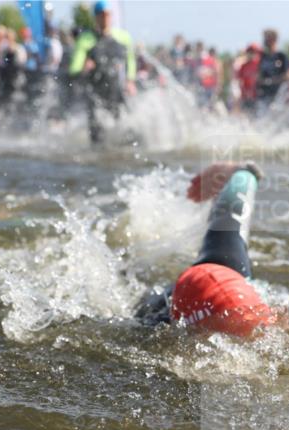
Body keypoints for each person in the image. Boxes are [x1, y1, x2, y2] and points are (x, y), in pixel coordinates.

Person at [133, 162, 276, 337]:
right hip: (186, 302)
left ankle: (237, 172)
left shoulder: (264, 318)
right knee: (142, 308)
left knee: (227, 222)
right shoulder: (157, 324)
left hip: (224, 270)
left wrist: (242, 174)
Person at [68, 0, 136, 144]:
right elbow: (74, 69)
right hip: (95, 92)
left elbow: (130, 60)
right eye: (101, 15)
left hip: (116, 90)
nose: (104, 18)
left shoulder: (123, 37)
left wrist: (130, 80)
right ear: (96, 17)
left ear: (111, 16)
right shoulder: (86, 39)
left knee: (125, 130)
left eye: (107, 15)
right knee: (97, 135)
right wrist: (84, 66)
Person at [256, 29, 288, 110]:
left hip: (278, 94)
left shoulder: (281, 56)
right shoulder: (263, 56)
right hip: (264, 94)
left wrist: (271, 81)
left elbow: (287, 75)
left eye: (267, 38)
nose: (265, 41)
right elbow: (259, 74)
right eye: (265, 38)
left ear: (274, 39)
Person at [235, 43, 261, 114]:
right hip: (245, 96)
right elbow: (240, 81)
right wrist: (243, 92)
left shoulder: (259, 64)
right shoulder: (243, 66)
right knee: (246, 115)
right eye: (249, 52)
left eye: (253, 52)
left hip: (257, 95)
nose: (251, 54)